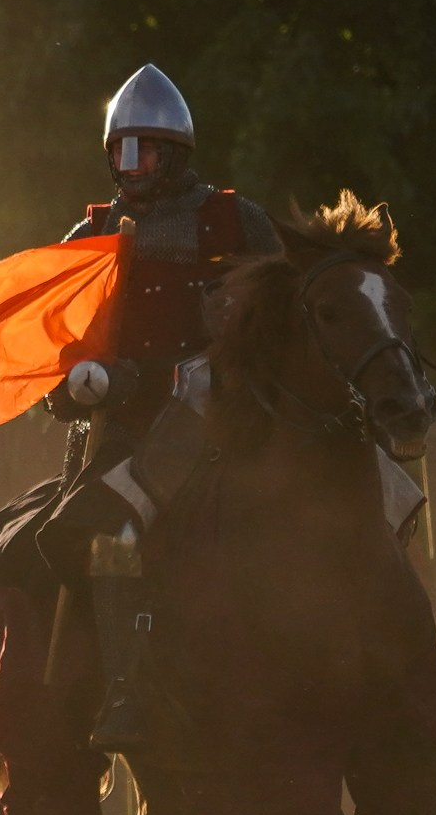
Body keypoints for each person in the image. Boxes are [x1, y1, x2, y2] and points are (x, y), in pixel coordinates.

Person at [37, 65, 281, 752]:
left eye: (145, 151)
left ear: (175, 155)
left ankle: (393, 656)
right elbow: (57, 353)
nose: (131, 166)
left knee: (336, 489)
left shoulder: (237, 224)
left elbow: (283, 327)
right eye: (121, 151)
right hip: (130, 432)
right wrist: (80, 384)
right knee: (108, 532)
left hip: (228, 422)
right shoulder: (89, 236)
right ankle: (125, 687)